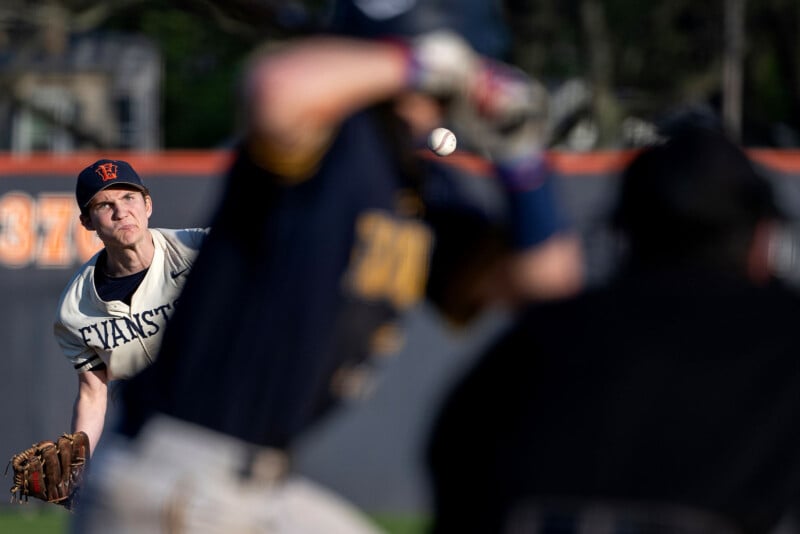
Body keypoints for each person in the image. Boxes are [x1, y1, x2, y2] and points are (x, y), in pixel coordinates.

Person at [71, 0, 584, 531]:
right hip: (174, 479)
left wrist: (521, 158)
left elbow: (548, 284)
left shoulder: (420, 183)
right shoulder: (332, 136)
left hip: (249, 486)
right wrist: (418, 62)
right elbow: (274, 90)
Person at [425, 123, 800, 534]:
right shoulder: (782, 342)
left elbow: (453, 462)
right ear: (762, 241)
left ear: (624, 233)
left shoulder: (534, 345)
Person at [52, 159, 208, 456]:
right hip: (149, 437)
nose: (121, 211)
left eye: (128, 197)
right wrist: (77, 462)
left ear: (147, 205)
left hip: (221, 420)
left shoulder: (200, 250)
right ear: (87, 222)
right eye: (104, 205)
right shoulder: (75, 310)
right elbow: (92, 394)